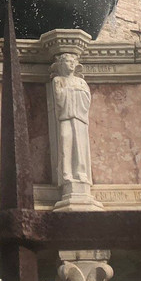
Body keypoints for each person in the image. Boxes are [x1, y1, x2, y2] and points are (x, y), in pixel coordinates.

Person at [52, 53, 92, 186]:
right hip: (66, 115)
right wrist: (73, 91)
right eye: (68, 62)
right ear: (62, 64)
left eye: (73, 62)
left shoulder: (81, 81)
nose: (71, 64)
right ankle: (66, 173)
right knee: (65, 140)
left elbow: (87, 99)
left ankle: (80, 172)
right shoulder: (58, 80)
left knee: (80, 145)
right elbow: (59, 97)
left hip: (79, 116)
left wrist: (72, 91)